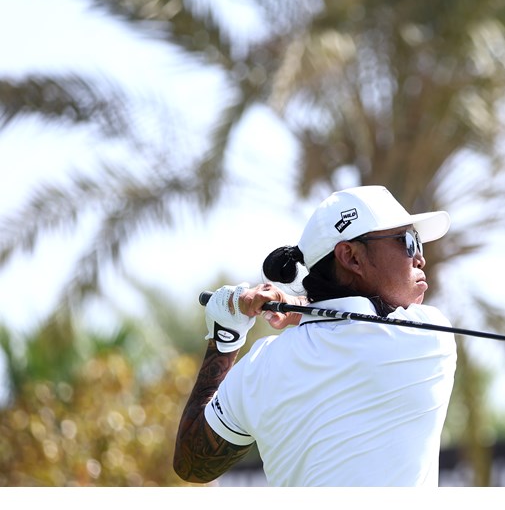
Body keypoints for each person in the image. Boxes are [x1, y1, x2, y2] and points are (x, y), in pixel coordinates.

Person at [173, 185, 457, 486]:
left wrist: (225, 334)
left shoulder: (260, 366)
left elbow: (193, 464)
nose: (419, 258)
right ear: (351, 257)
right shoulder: (427, 336)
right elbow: (352, 317)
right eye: (408, 241)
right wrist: (296, 306)